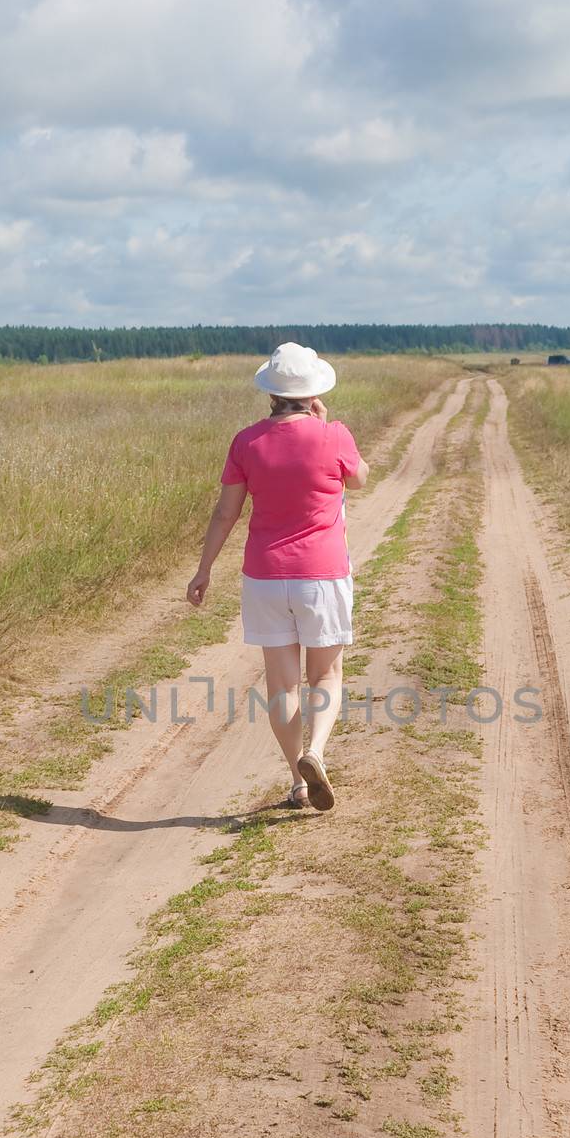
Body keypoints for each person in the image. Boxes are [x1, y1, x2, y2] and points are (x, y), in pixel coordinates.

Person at [186, 342, 369, 811]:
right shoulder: (334, 434)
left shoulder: (246, 442)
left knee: (281, 686)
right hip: (322, 574)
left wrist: (204, 569)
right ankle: (317, 752)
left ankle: (298, 780)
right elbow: (360, 478)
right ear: (313, 393)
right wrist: (325, 423)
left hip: (265, 576)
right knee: (325, 674)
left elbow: (226, 513)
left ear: (270, 393)